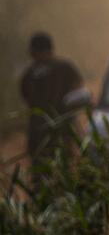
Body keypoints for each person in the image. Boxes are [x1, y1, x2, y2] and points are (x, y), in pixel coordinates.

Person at [17, 32, 88, 170]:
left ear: (34, 51)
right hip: (62, 128)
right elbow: (78, 88)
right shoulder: (65, 67)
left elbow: (26, 98)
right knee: (67, 168)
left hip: (41, 131)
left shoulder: (29, 74)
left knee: (42, 170)